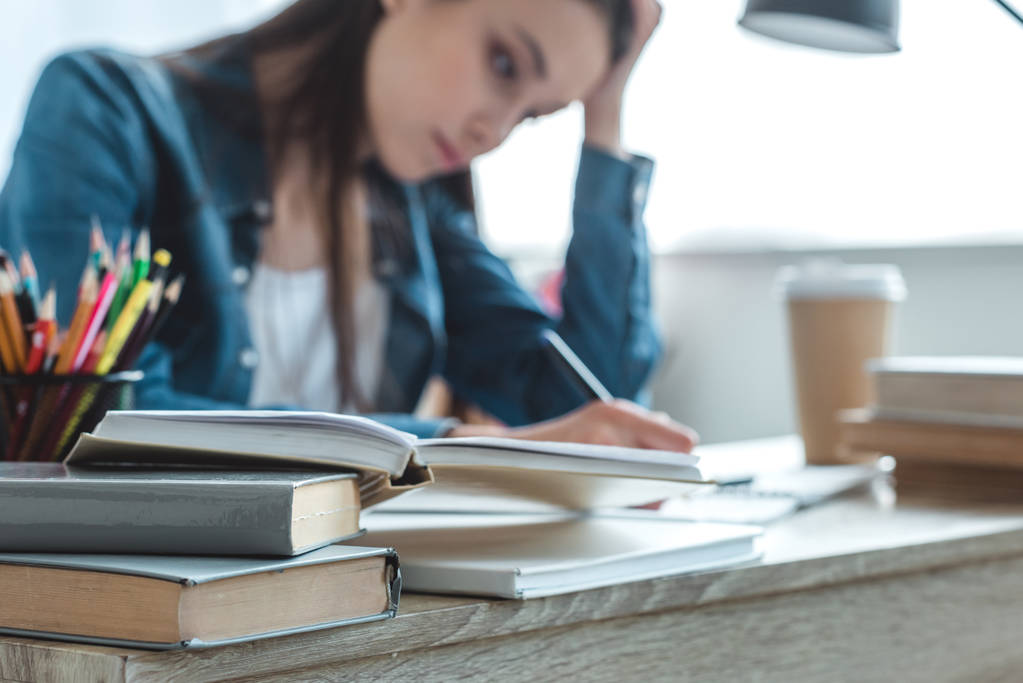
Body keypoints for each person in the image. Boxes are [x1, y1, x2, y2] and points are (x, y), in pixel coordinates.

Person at [0, 0, 698, 452]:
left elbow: (598, 408)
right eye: (503, 64)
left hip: (353, 612)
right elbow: (91, 418)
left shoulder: (416, 215)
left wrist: (605, 122)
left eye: (535, 116)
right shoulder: (103, 111)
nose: (494, 132)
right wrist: (447, 448)